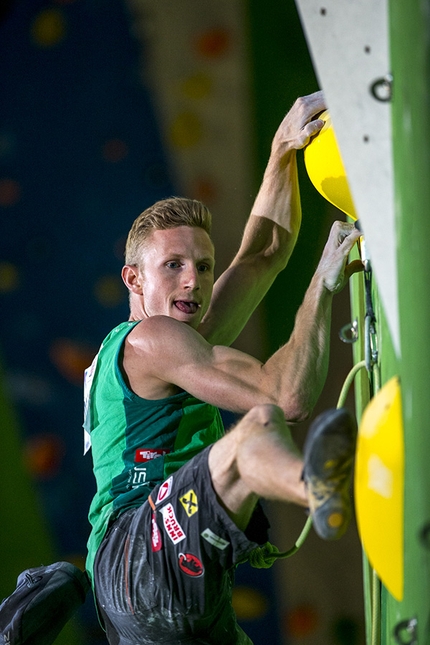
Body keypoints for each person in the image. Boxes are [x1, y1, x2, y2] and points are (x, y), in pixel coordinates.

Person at [83, 90, 363, 645]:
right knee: (256, 430)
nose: (194, 280)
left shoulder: (176, 345)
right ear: (133, 280)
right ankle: (316, 486)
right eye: (173, 266)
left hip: (165, 592)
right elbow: (285, 399)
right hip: (136, 559)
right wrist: (322, 283)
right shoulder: (151, 339)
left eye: (203, 266)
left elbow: (263, 254)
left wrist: (284, 148)